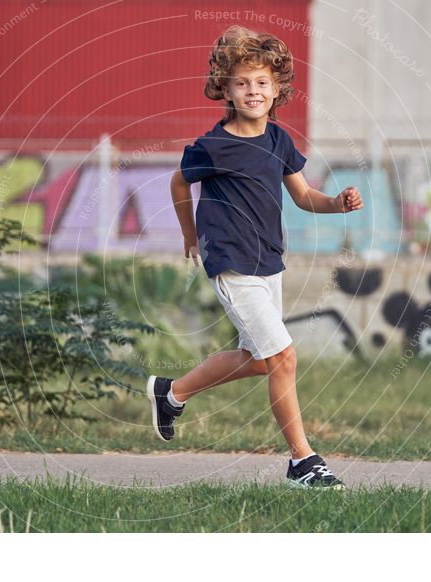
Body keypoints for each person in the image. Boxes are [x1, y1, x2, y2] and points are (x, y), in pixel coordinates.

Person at [148, 25, 363, 489]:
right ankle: (302, 461)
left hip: (270, 262)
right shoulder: (214, 145)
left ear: (276, 89)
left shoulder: (278, 141)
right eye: (242, 83)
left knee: (261, 357)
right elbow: (178, 182)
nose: (253, 91)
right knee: (283, 356)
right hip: (230, 262)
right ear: (225, 88)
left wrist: (337, 204)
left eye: (262, 82)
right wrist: (190, 233)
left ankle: (173, 392)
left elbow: (304, 196)